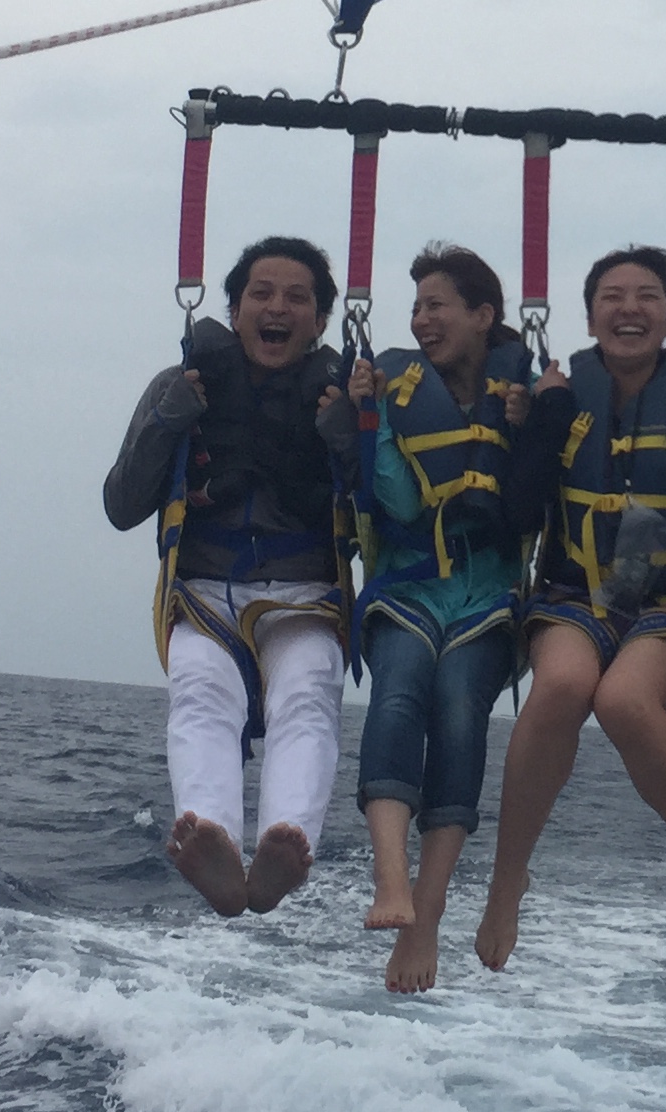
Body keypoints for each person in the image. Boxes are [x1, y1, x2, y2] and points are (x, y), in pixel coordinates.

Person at [474, 243, 666, 970]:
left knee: (625, 702)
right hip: (573, 594)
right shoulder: (562, 391)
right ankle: (507, 881)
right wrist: (547, 420)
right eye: (612, 297)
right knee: (562, 685)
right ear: (590, 316)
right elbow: (518, 511)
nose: (630, 309)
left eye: (648, 296)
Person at [102, 234, 353, 919]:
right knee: (201, 694)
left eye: (296, 298)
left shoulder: (343, 397)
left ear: (321, 320)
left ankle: (286, 842)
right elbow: (121, 506)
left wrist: (351, 438)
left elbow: (387, 514)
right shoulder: (182, 383)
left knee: (307, 693)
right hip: (203, 594)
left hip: (304, 597)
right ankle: (210, 834)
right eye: (261, 294)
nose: (277, 308)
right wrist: (166, 421)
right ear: (234, 309)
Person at [340, 243, 535, 993]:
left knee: (459, 706)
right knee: (398, 692)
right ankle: (391, 878)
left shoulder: (522, 391)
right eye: (416, 306)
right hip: (409, 583)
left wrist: (529, 427)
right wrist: (373, 415)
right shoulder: (395, 386)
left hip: (488, 593)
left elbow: (534, 498)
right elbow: (395, 501)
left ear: (482, 315)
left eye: (437, 305)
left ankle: (430, 903)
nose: (422, 319)